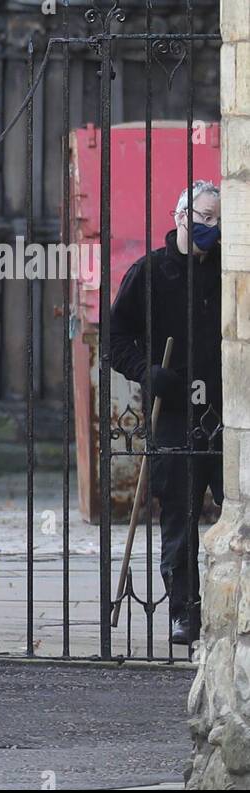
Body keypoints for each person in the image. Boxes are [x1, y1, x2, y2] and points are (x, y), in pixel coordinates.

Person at [110, 180, 222, 645]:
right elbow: (117, 339)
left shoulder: (231, 267)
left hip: (225, 410)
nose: (210, 227)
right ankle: (184, 610)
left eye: (218, 220)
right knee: (179, 512)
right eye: (204, 217)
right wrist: (148, 372)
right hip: (173, 410)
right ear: (180, 217)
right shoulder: (150, 272)